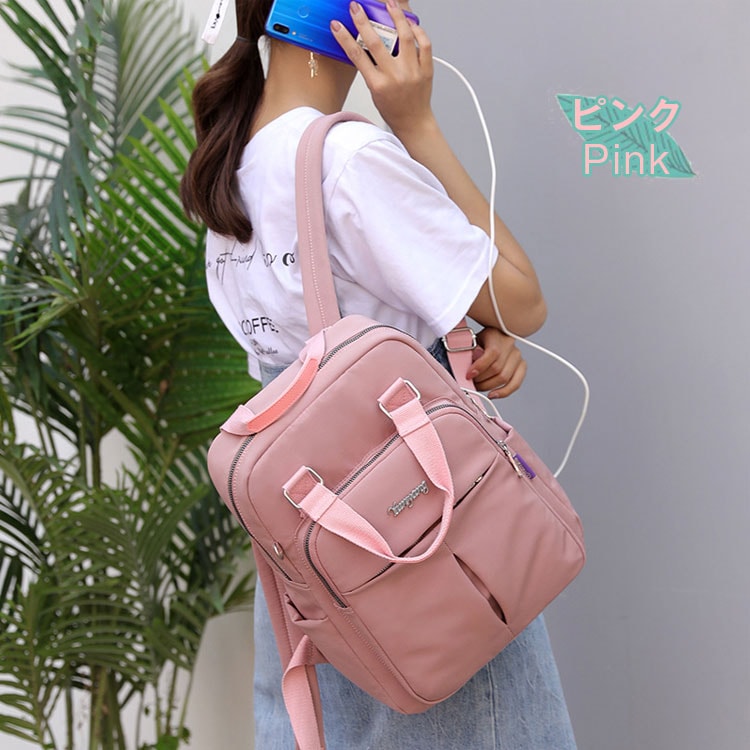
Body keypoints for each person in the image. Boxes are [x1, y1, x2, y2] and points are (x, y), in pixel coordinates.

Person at [181, 1, 577, 747]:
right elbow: (523, 300)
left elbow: (304, 362)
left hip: (315, 548)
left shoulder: (234, 166)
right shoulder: (350, 159)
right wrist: (416, 124)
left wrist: (455, 345)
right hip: (419, 527)